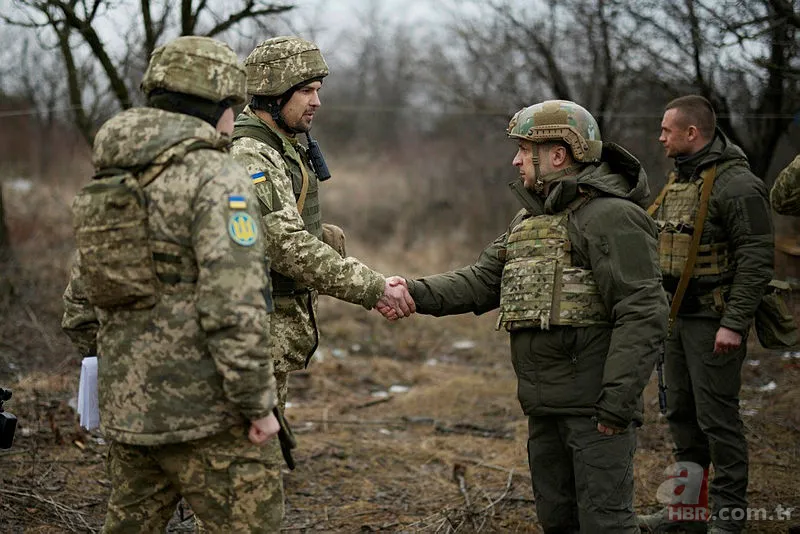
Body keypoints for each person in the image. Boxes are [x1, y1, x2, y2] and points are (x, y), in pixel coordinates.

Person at [383, 100, 668, 532]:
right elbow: (480, 282)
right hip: (543, 404)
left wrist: (617, 403)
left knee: (606, 524)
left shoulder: (612, 216)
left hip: (594, 409)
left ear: (558, 154)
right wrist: (412, 292)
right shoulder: (530, 219)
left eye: (524, 149)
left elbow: (643, 312)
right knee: (558, 520)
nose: (516, 160)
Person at [62, 36, 283, 533]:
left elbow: (79, 305)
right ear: (220, 105)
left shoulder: (115, 176)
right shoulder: (218, 179)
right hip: (208, 416)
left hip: (129, 411)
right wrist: (257, 404)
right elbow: (234, 305)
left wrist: (129, 364)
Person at [230, 35, 414, 408]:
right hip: (245, 336)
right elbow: (285, 245)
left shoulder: (281, 146)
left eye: (318, 90)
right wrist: (374, 287)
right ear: (274, 93)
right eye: (306, 91)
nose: (317, 102)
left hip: (266, 335)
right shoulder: (251, 156)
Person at [639, 95, 774, 534]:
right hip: (676, 320)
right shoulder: (680, 181)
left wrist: (734, 323)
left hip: (713, 323)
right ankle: (686, 512)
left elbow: (756, 258)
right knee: (680, 415)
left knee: (717, 419)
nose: (660, 137)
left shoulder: (737, 184)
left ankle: (728, 517)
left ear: (692, 133)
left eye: (667, 130)